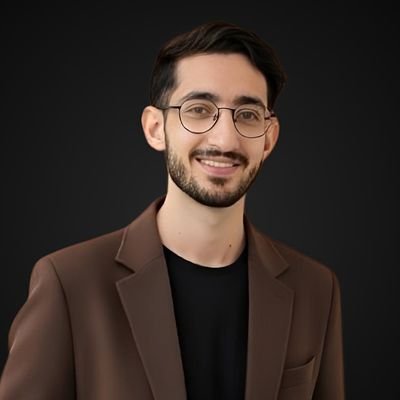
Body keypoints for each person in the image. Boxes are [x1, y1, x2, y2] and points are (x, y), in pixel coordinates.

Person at [0, 20, 345, 400]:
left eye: (247, 115)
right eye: (198, 109)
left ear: (269, 138)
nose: (225, 139)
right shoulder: (69, 283)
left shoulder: (317, 289)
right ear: (155, 128)